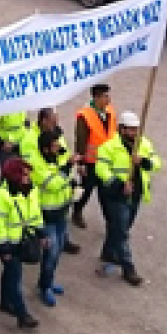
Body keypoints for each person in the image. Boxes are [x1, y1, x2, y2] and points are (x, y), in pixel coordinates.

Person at [95, 111, 161, 286]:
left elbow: (156, 162)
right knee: (122, 232)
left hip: (137, 194)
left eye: (135, 130)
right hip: (117, 197)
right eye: (130, 130)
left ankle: (108, 252)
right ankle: (128, 269)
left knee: (121, 226)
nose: (133, 133)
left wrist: (144, 161)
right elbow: (101, 170)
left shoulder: (144, 144)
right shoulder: (108, 147)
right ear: (121, 129)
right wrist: (119, 184)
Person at [0, 158, 46, 328]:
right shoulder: (1, 196)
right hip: (6, 242)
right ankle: (22, 314)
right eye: (24, 174)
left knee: (10, 272)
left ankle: (5, 302)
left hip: (19, 239)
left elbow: (35, 214)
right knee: (15, 275)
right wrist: (4, 248)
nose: (28, 177)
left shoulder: (30, 190)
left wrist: (40, 232)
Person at [28, 129, 77, 305]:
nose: (59, 148)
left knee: (58, 249)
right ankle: (45, 287)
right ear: (46, 149)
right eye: (55, 146)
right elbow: (53, 184)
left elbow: (66, 177)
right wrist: (67, 169)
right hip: (46, 216)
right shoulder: (37, 165)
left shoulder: (58, 157)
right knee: (51, 252)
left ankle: (47, 282)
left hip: (61, 211)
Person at [73, 83, 116, 229]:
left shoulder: (109, 111)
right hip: (90, 162)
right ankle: (76, 211)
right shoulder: (85, 115)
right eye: (105, 96)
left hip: (106, 161)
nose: (108, 99)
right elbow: (81, 139)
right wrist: (81, 163)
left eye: (108, 96)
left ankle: (111, 222)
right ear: (96, 97)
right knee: (85, 190)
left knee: (106, 194)